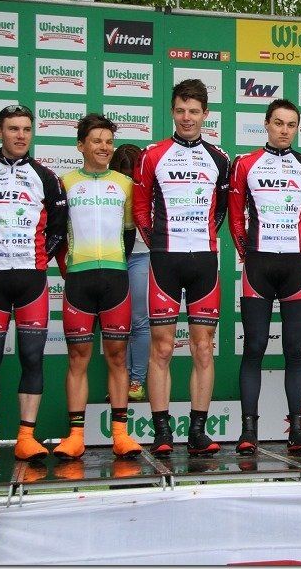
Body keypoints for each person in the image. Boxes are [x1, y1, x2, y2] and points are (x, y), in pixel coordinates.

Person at [133, 79, 230, 457]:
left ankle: (198, 431)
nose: (187, 118)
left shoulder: (219, 158)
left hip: (204, 260)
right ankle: (161, 432)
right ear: (172, 112)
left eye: (194, 111)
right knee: (161, 348)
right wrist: (157, 241)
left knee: (203, 348)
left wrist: (202, 236)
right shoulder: (152, 155)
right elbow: (141, 207)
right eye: (180, 111)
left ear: (205, 114)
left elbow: (221, 209)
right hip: (165, 260)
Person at [229, 99, 301, 454]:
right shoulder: (245, 164)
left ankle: (297, 430)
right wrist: (247, 253)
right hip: (258, 266)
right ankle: (248, 431)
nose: (284, 130)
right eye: (278, 123)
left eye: (291, 124)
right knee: (254, 347)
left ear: (297, 128)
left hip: (296, 267)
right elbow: (235, 216)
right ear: (266, 124)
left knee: (295, 350)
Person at [0, 104, 67, 462]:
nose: (20, 135)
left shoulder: (45, 176)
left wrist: (41, 258)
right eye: (13, 129)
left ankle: (26, 437)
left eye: (26, 129)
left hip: (32, 280)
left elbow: (59, 228)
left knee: (32, 357)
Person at [52, 114, 142, 459]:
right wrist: (71, 268)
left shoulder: (124, 184)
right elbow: (57, 235)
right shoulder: (65, 183)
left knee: (117, 357)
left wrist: (116, 264)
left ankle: (121, 434)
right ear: (81, 145)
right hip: (79, 279)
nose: (104, 147)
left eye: (108, 141)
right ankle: (75, 436)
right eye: (96, 141)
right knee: (78, 358)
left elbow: (130, 233)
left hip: (115, 279)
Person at [110, 144, 149, 402]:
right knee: (115, 324)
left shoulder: (150, 186)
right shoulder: (108, 187)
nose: (128, 182)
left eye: (132, 177)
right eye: (122, 176)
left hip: (142, 255)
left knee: (139, 320)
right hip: (112, 256)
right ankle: (119, 381)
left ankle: (137, 381)